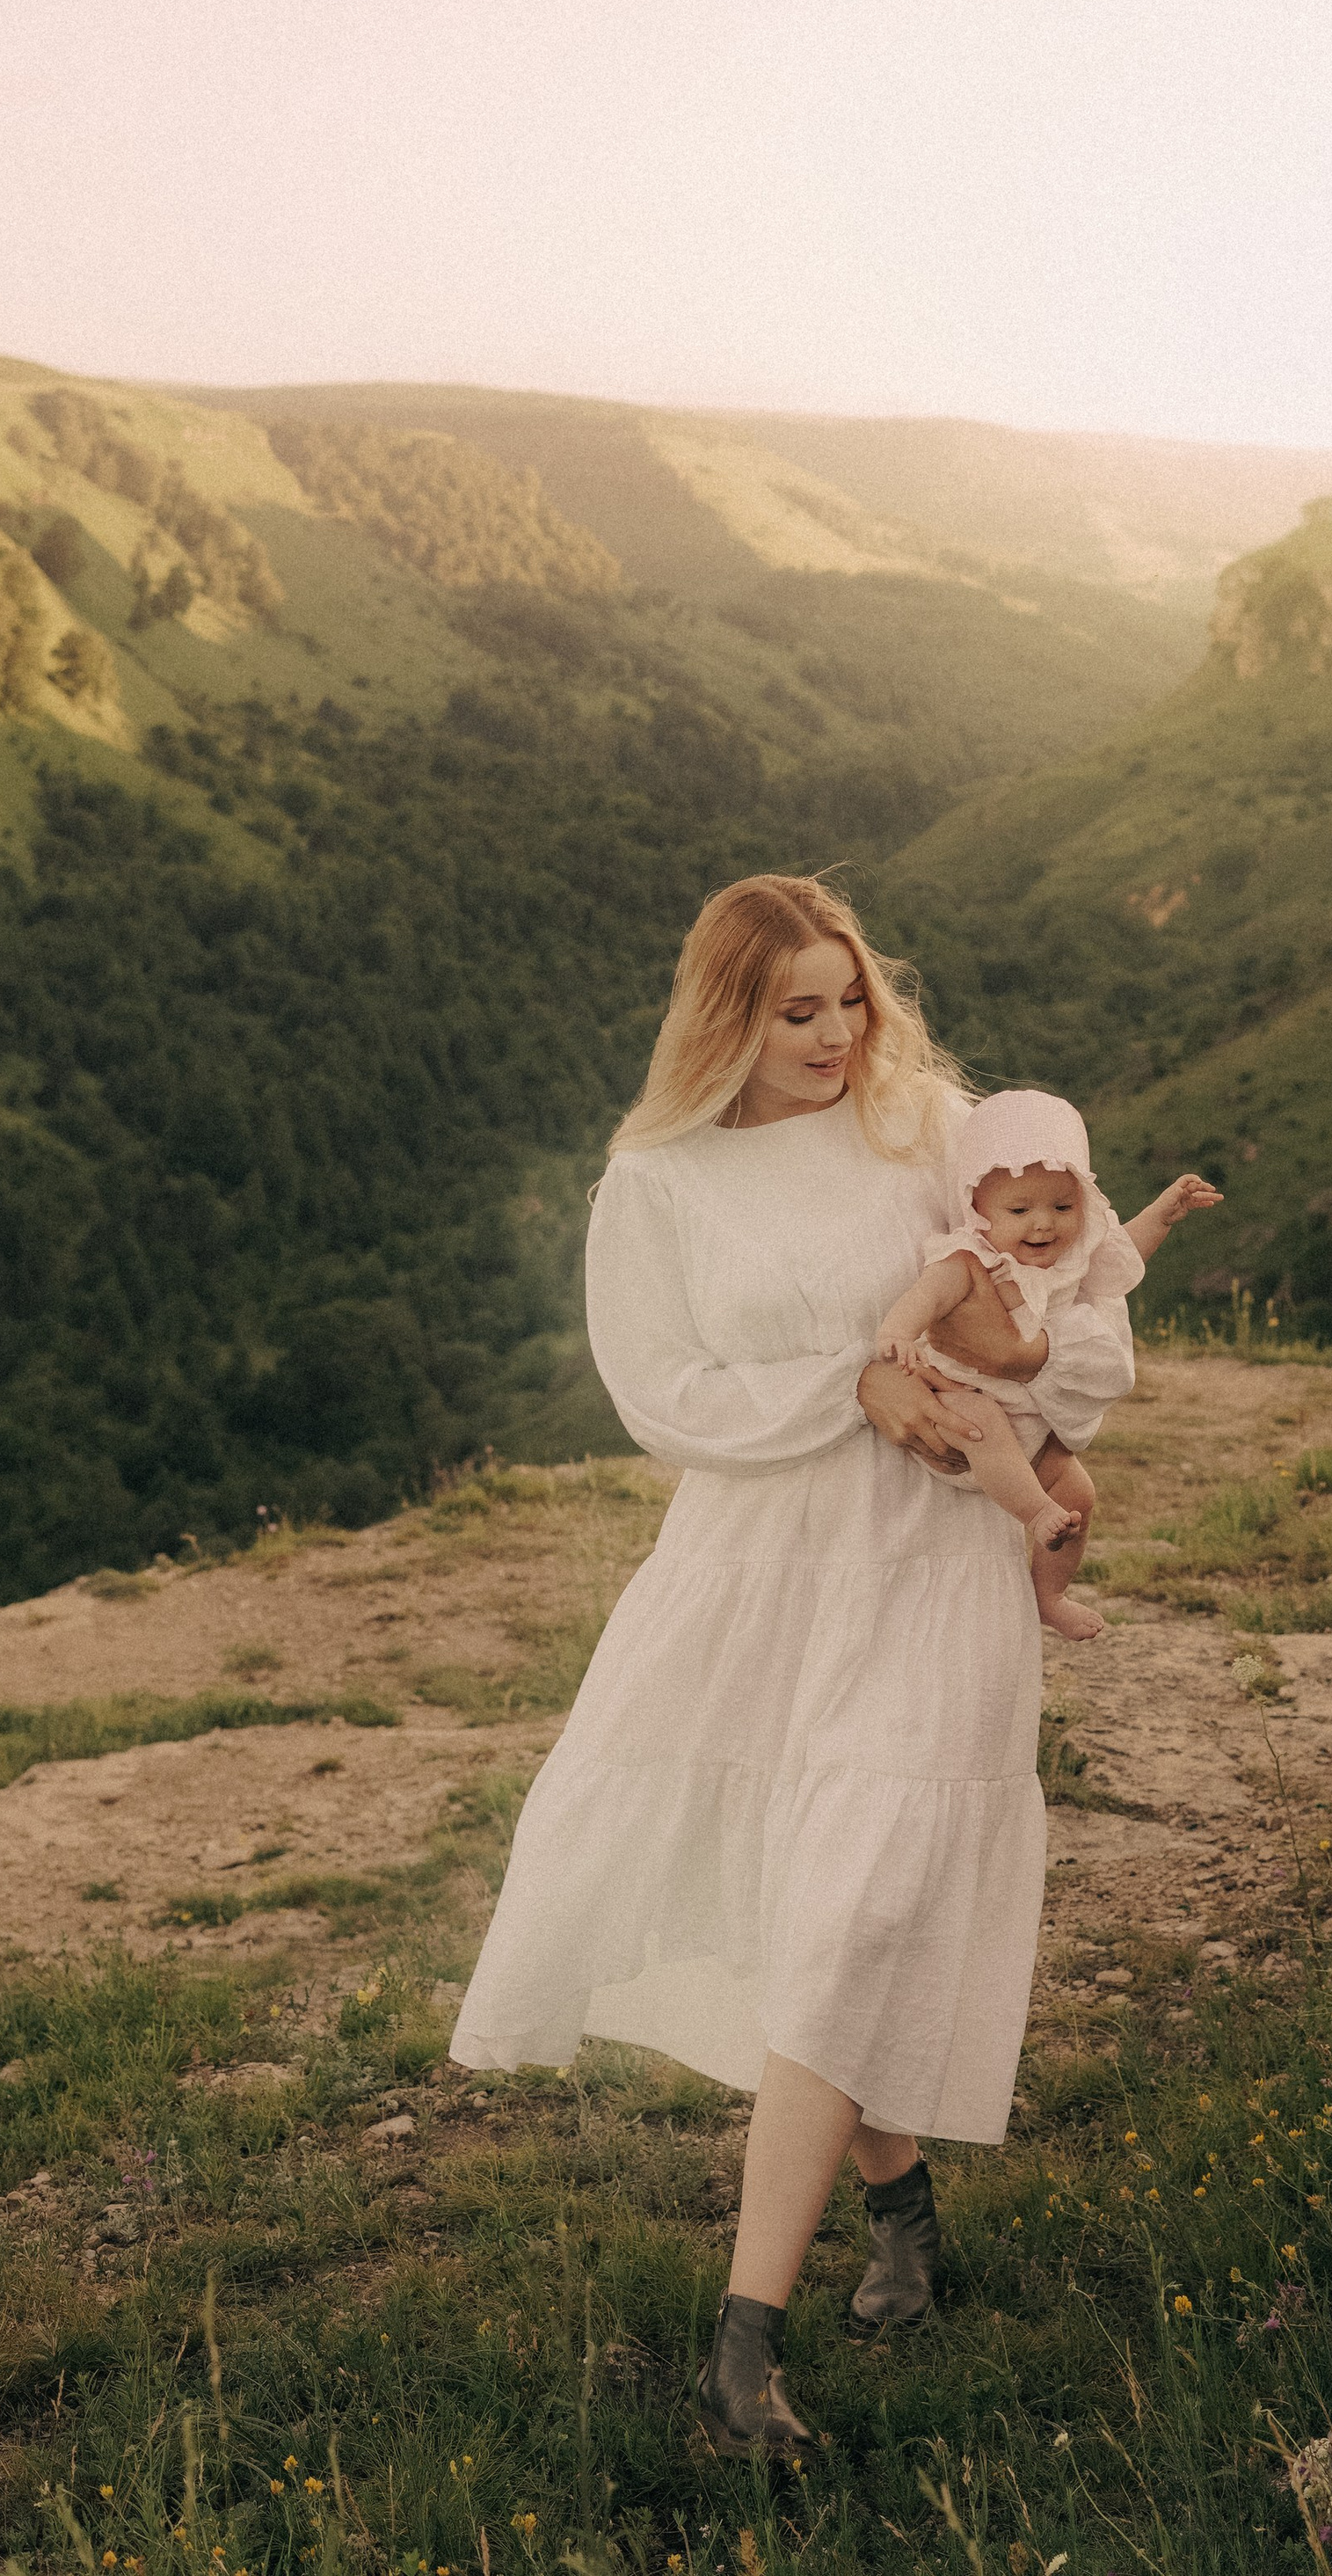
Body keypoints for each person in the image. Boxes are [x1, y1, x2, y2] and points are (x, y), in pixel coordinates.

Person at [447, 874, 1137, 2460]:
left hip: (938, 1564)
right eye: (795, 1010)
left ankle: (740, 2354)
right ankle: (896, 2199)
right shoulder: (660, 1180)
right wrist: (855, 1386)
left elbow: (1077, 1295)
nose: (834, 1037)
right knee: (820, 1902)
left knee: (866, 1895)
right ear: (727, 1015)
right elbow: (665, 1395)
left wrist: (1029, 1383)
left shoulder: (932, 1127)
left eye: (850, 1002)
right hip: (761, 1575)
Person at [876, 1086, 1220, 1640]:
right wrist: (899, 1337)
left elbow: (1122, 1257)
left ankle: (1049, 1594)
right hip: (966, 1406)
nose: (1043, 1225)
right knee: (981, 1421)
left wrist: (1163, 1213)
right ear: (978, 1210)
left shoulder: (1071, 1256)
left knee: (1080, 1495)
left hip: (1037, 1417)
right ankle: (1034, 1512)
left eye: (1062, 1207)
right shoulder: (968, 1260)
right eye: (1019, 1210)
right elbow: (921, 1302)